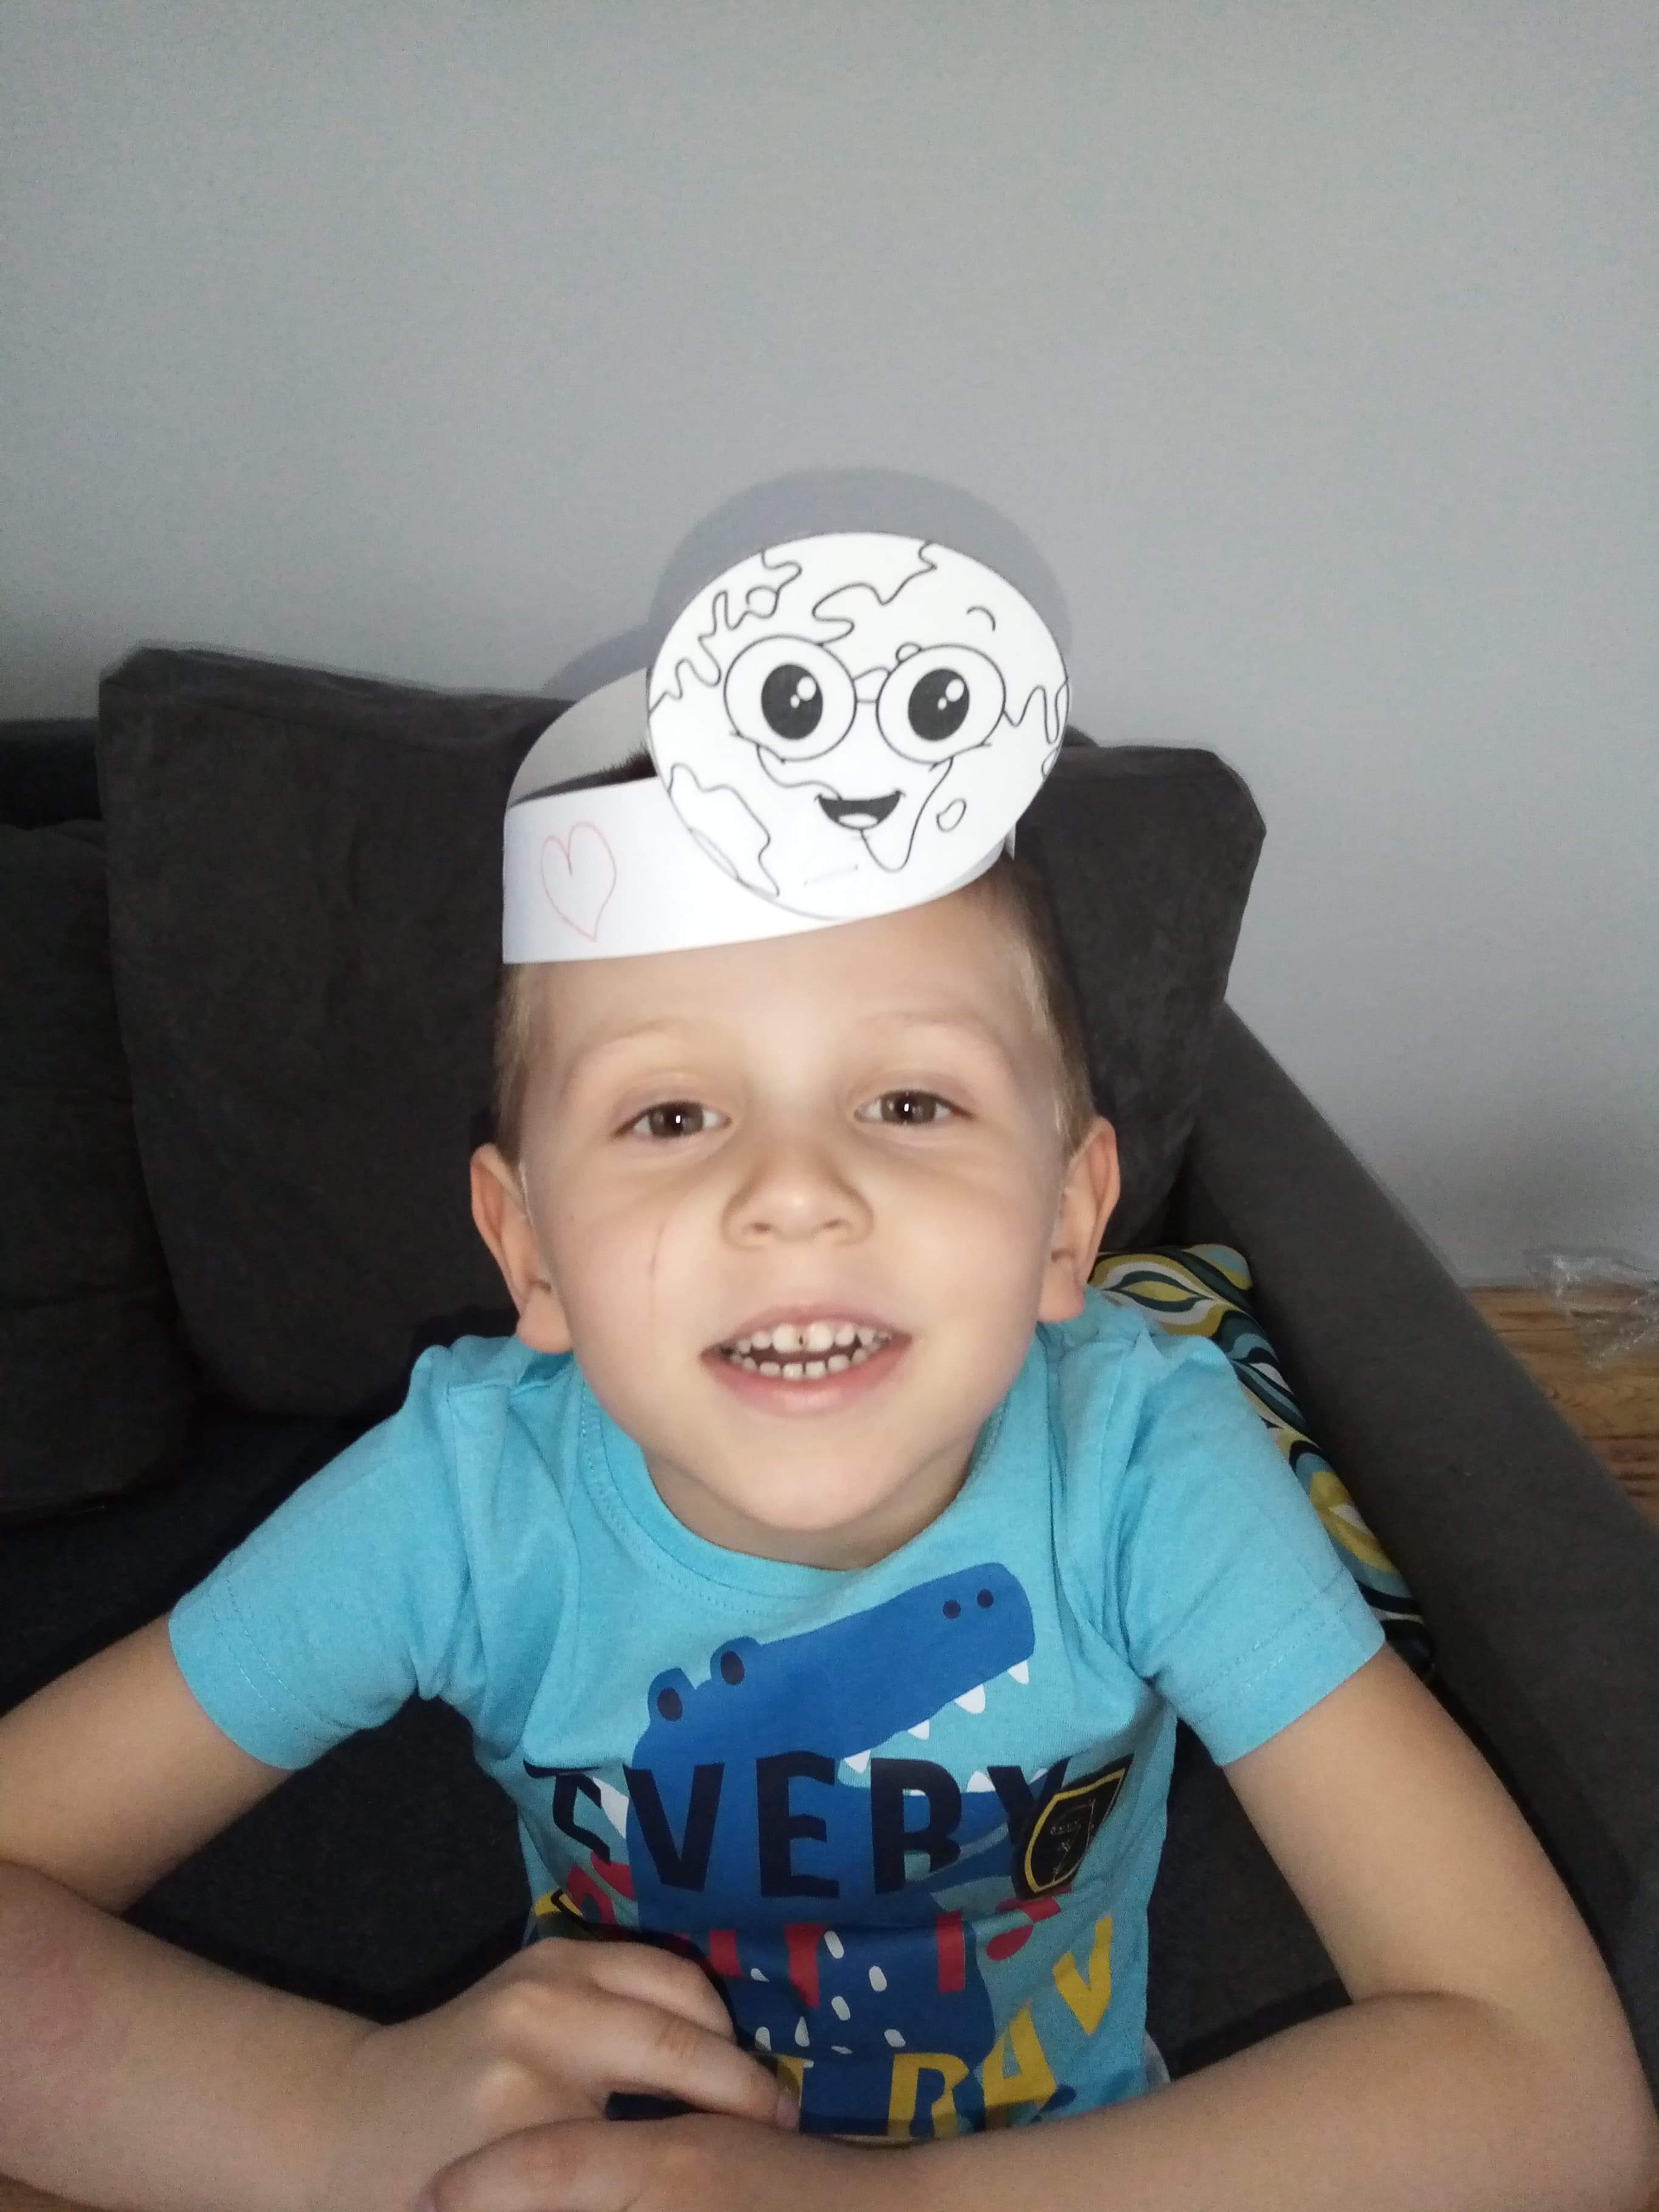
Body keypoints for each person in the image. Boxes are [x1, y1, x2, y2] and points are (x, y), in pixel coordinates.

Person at [1, 538, 1655, 2212]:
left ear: (1066, 1220)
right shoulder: (464, 1507)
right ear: (533, 1252)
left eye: (909, 1102)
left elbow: (1556, 2104)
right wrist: (331, 2116)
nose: (793, 1192)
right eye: (670, 1114)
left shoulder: (1143, 1472)